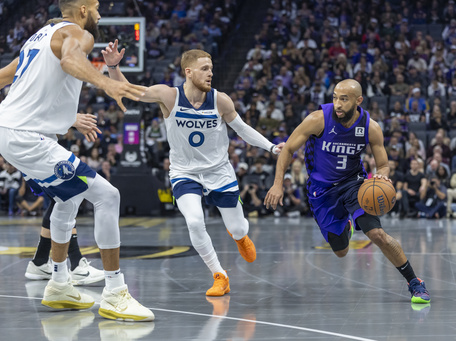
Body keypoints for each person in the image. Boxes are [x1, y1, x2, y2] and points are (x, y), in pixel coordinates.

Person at [0, 1, 153, 321]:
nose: (100, 14)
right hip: (28, 137)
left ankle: (58, 283)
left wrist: (68, 118)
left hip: (13, 132)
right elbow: (71, 59)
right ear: (83, 9)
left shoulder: (39, 37)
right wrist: (109, 83)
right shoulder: (77, 33)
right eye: (97, 7)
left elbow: (3, 77)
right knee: (108, 196)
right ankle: (115, 292)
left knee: (67, 201)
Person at [102, 43, 285, 296]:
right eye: (204, 69)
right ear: (188, 72)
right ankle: (219, 275)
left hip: (218, 171)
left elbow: (242, 129)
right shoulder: (168, 96)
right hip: (184, 172)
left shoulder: (220, 100)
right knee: (195, 222)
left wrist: (272, 147)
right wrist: (112, 66)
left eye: (212, 69)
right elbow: (130, 92)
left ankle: (241, 237)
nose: (210, 73)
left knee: (239, 228)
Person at [264, 79, 430, 304]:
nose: (338, 104)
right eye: (334, 97)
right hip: (321, 192)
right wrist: (277, 184)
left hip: (354, 184)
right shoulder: (318, 119)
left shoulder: (370, 127)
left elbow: (383, 164)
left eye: (344, 99)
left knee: (377, 235)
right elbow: (288, 149)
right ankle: (347, 227)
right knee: (341, 251)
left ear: (358, 100)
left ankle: (414, 282)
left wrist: (381, 175)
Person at [25, 113, 107, 285]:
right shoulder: (26, 92)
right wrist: (69, 119)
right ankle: (77, 265)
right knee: (69, 195)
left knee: (60, 199)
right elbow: (32, 111)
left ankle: (39, 262)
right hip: (30, 147)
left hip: (33, 146)